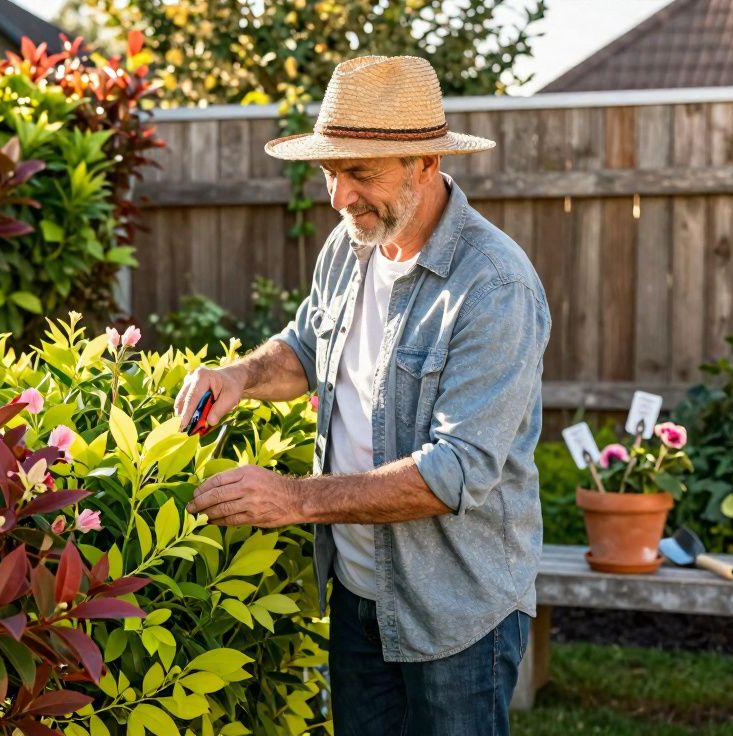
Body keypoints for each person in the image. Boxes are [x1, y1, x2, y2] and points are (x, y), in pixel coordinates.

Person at [179, 55, 550, 736]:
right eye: (331, 172)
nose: (339, 197)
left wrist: (291, 498)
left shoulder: (494, 287)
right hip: (357, 593)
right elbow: (305, 348)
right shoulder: (351, 246)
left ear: (427, 164)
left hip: (455, 609)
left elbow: (454, 473)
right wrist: (236, 377)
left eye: (361, 174)